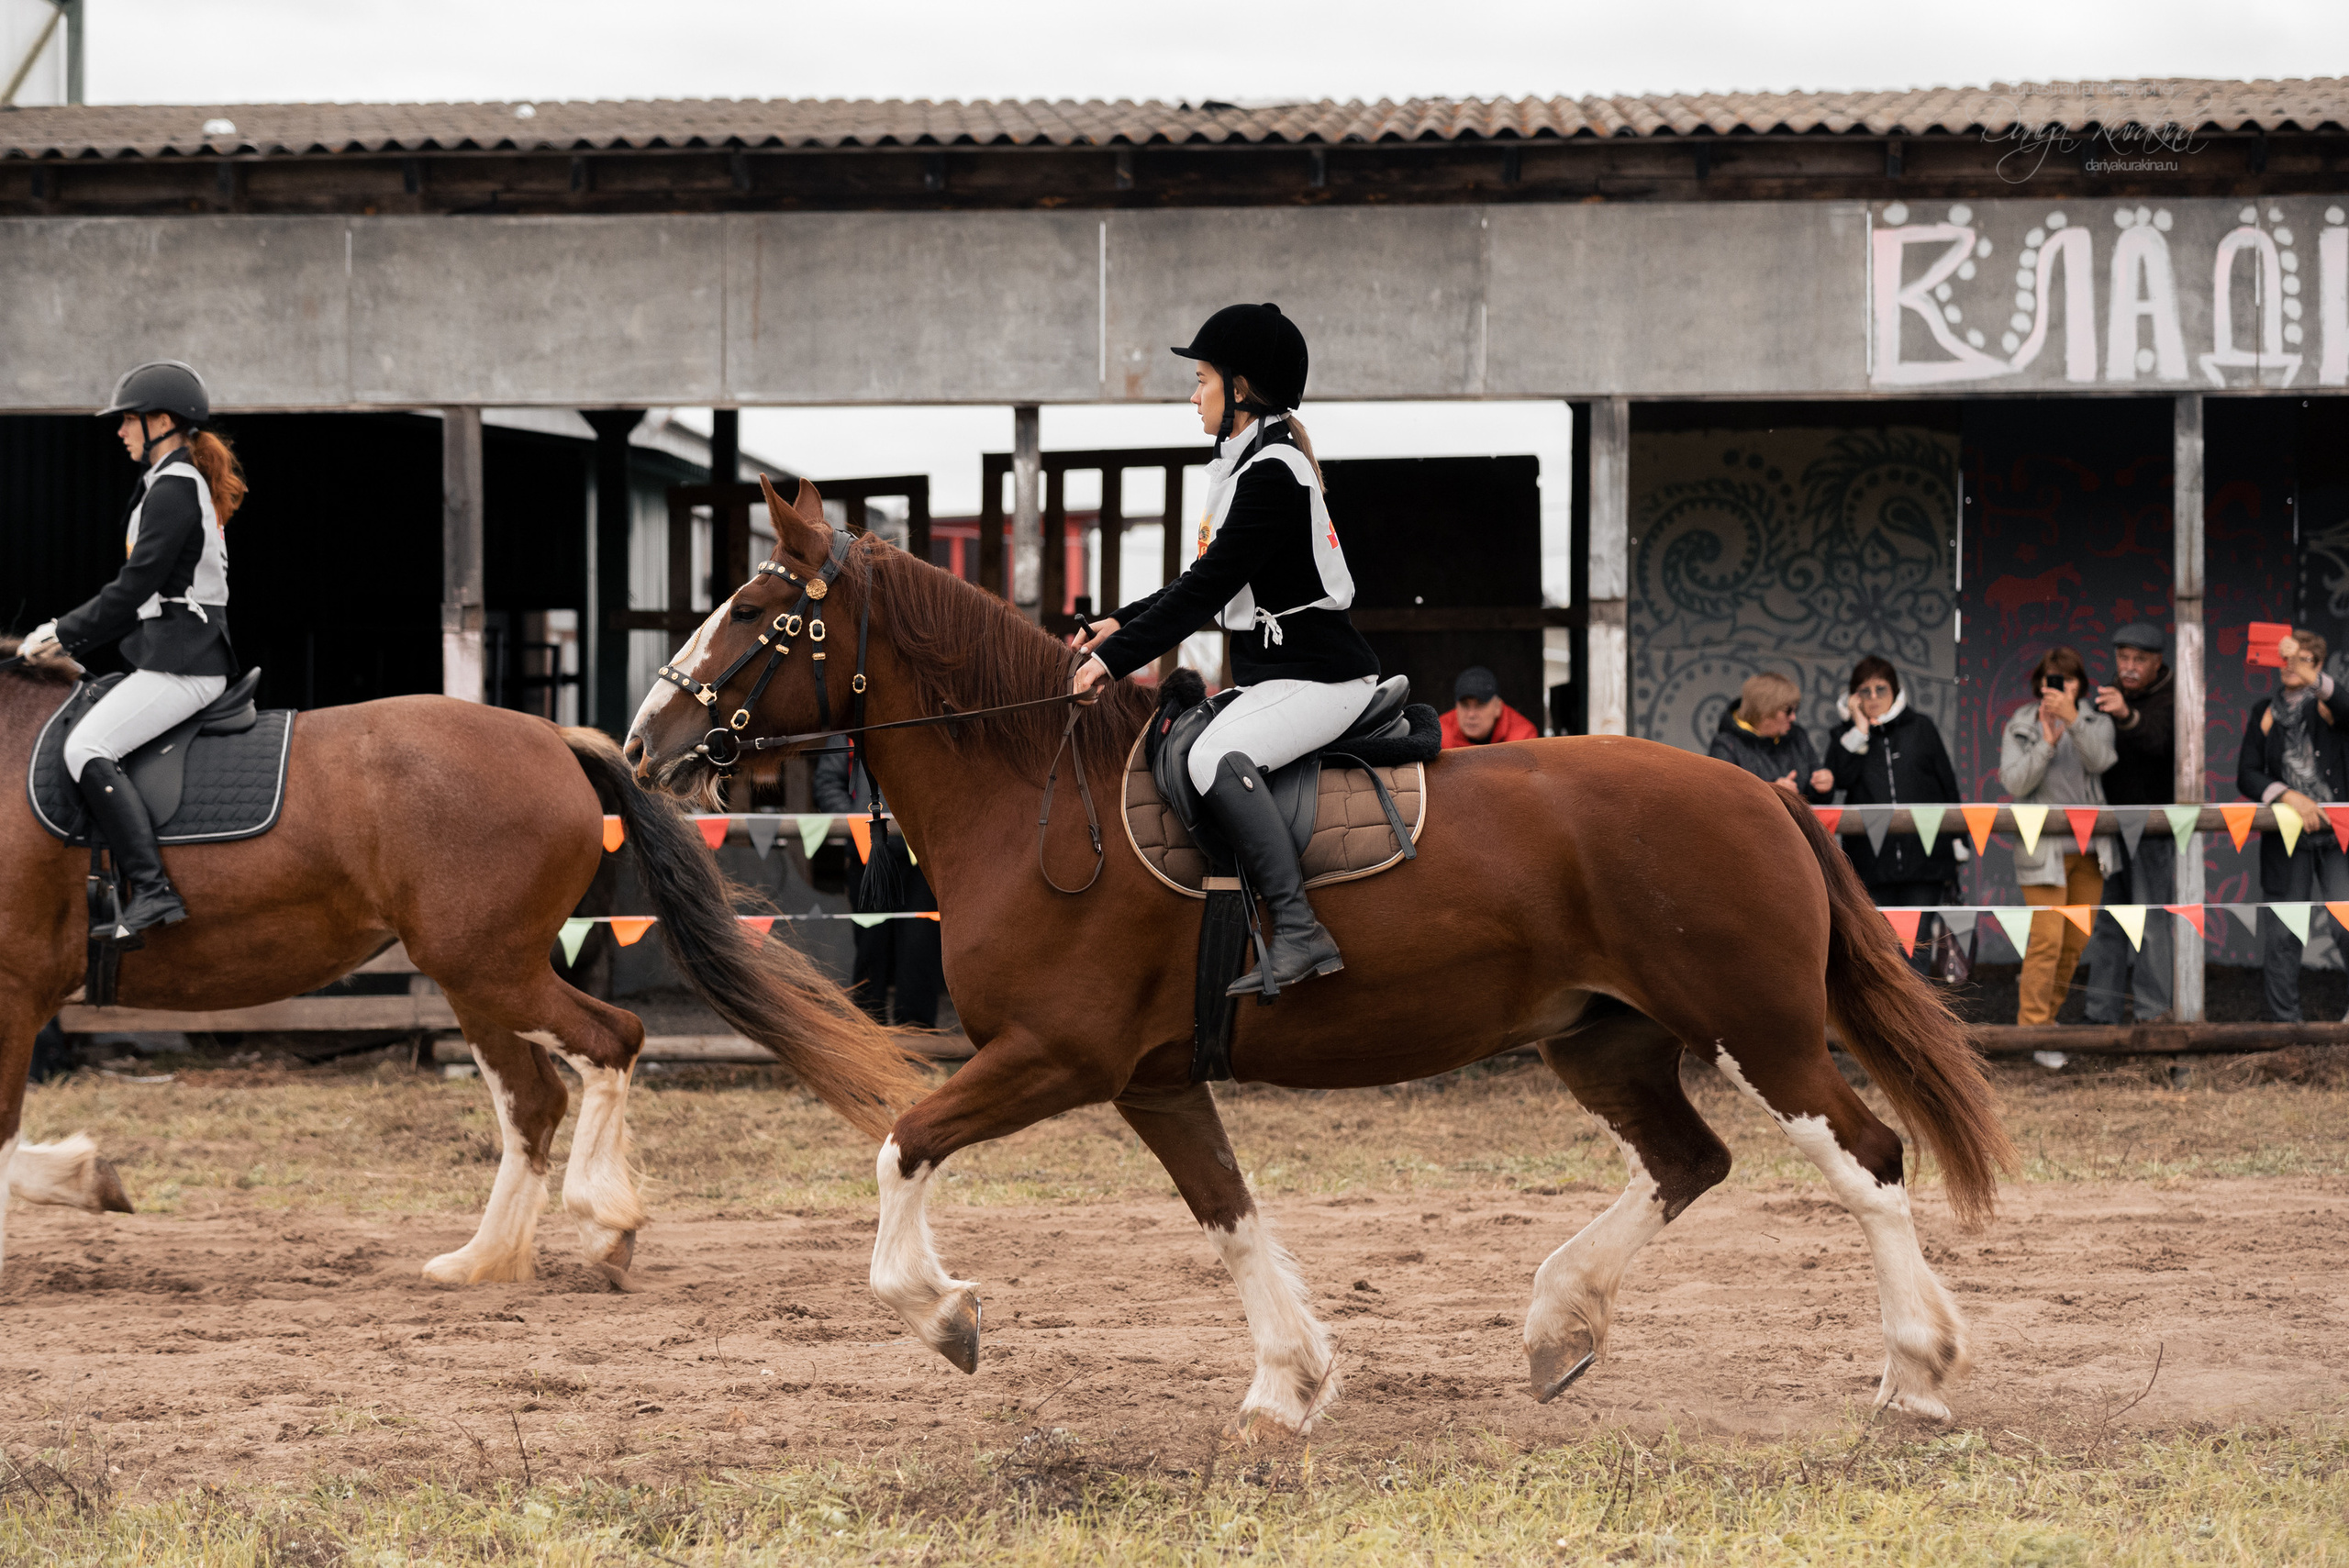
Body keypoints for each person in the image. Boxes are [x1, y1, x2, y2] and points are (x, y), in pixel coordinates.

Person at [1073, 303, 1378, 997]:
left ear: (1241, 389)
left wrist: (1112, 664)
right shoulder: (1250, 464)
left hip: (1323, 676)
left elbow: (1207, 590)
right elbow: (1199, 581)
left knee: (1214, 756)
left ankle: (1299, 929)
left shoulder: (1272, 473)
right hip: (1281, 675)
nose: (1193, 394)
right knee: (1188, 741)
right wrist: (1118, 625)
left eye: (1203, 378)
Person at [17, 361, 243, 940]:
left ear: (162, 421)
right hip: (172, 654)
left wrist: (61, 634)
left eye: (127, 421)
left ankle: (153, 889)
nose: (119, 432)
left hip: (186, 663)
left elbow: (133, 589)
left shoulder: (173, 487)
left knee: (86, 744)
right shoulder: (173, 481)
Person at [1998, 647, 2118, 1026]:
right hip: (2043, 849)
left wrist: (2075, 723)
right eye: (2052, 680)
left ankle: (2047, 1024)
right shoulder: (2020, 724)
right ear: (2039, 684)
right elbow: (2015, 781)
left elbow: (2102, 763)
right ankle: (2032, 1028)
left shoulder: (2097, 722)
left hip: (2090, 851)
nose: (2060, 687)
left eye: (2068, 680)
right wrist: (2046, 744)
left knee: (2073, 945)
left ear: (2080, 685)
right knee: (2046, 941)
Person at [2236, 628, 2349, 1024]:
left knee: (2346, 923)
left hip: (2338, 836)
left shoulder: (2328, 705)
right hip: (2287, 835)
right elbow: (2246, 774)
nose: (2290, 666)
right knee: (2284, 933)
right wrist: (2289, 795)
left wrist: (2310, 677)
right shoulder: (2263, 711)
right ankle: (2287, 1028)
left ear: (2318, 666)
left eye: (2301, 659)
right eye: (2285, 658)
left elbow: (2345, 705)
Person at [1826, 657, 1963, 970]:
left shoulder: (1921, 727)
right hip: (1870, 863)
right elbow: (1839, 780)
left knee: (1917, 947)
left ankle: (1917, 1019)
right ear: (1853, 697)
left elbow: (1947, 783)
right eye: (1864, 691)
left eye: (1880, 689)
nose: (1873, 697)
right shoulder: (1843, 736)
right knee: (1879, 950)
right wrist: (1859, 730)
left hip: (1925, 859)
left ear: (1895, 690)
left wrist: (1959, 841)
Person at [2083, 623, 2177, 1024]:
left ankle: (2153, 1016)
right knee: (2108, 922)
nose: (2129, 666)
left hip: (2153, 829)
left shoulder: (2175, 697)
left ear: (2158, 662)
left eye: (2139, 659)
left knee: (2151, 922)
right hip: (2108, 828)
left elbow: (2160, 743)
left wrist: (2127, 716)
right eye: (2123, 657)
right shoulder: (2107, 696)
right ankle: (2100, 1013)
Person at [814, 747, 946, 1029]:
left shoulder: (917, 720)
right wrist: (859, 824)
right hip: (866, 854)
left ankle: (918, 1040)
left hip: (921, 857)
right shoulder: (847, 725)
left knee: (920, 947)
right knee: (871, 947)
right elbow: (827, 783)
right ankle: (868, 1036)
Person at [1709, 670, 1834, 799]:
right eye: (1788, 711)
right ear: (1765, 710)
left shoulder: (1797, 736)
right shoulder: (1726, 744)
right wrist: (1771, 792)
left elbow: (1815, 797)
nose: (1793, 717)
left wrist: (1823, 786)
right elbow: (1721, 798)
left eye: (1796, 709)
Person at [1441, 666, 1539, 749]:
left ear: (1498, 707)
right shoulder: (1439, 733)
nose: (1471, 714)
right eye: (1465, 705)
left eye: (1480, 705)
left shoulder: (1523, 738)